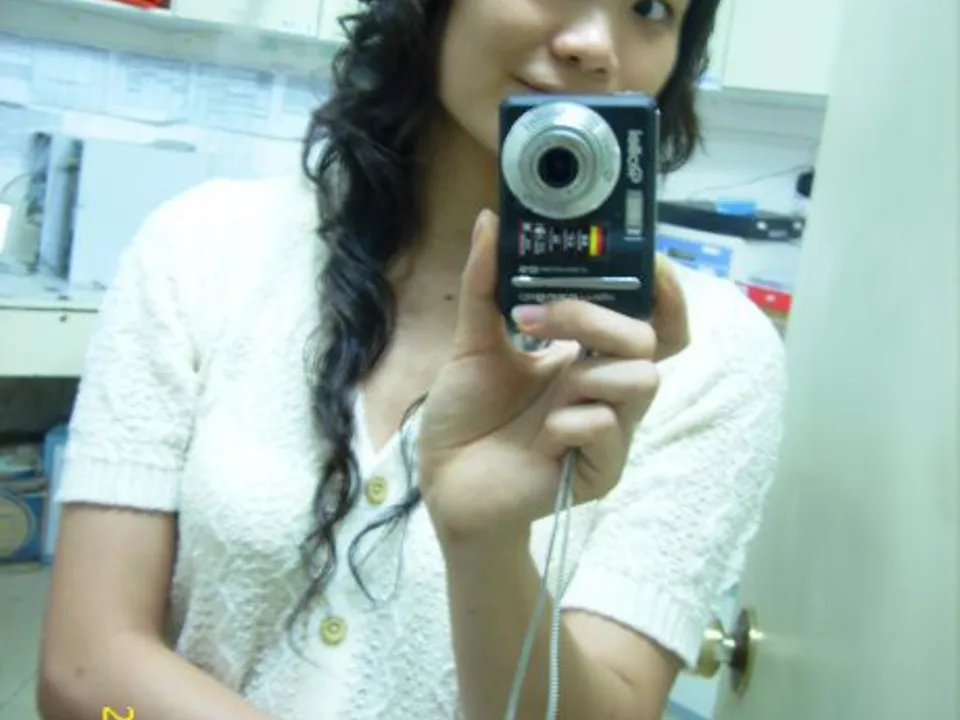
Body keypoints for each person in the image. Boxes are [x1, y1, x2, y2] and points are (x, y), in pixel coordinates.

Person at [37, 0, 785, 719]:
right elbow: (84, 678)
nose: (594, 43)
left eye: (651, 6)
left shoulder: (707, 356)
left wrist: (488, 545)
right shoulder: (201, 249)